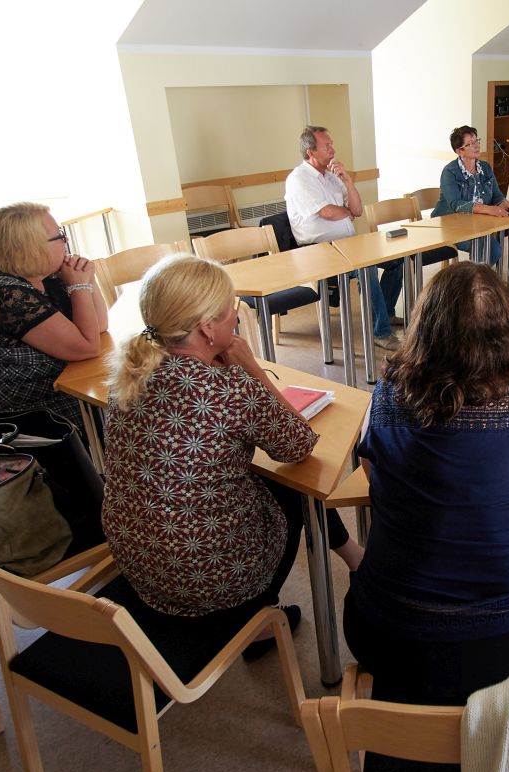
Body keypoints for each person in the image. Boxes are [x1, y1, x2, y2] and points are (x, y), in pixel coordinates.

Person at [344, 262, 509, 705]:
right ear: (506, 331)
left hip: (396, 637)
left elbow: (372, 474)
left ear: (425, 325)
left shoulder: (385, 400)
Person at [102, 255, 363, 647]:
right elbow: (300, 444)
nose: (236, 318)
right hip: (208, 581)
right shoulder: (229, 390)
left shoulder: (128, 376)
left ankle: (352, 556)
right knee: (297, 485)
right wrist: (251, 367)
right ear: (207, 328)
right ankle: (256, 621)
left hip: (139, 563)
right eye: (231, 311)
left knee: (252, 474)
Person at [0, 202, 108, 430]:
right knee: (124, 407)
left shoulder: (44, 278)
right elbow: (87, 347)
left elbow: (99, 326)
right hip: (0, 418)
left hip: (35, 392)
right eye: (59, 236)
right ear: (31, 246)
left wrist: (86, 280)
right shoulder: (5, 296)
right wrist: (79, 286)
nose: (65, 241)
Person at [284, 125, 404, 350]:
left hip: (347, 245)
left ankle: (385, 314)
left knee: (396, 259)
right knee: (365, 268)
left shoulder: (331, 176)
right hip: (317, 250)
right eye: (326, 145)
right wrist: (345, 211)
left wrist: (348, 180)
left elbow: (357, 210)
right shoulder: (298, 179)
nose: (332, 149)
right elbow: (327, 212)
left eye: (332, 144)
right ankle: (381, 332)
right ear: (310, 152)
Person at [431, 125, 509, 266]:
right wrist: (487, 209)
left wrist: (507, 205)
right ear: (460, 151)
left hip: (477, 223)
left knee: (493, 248)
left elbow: (496, 196)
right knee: (488, 248)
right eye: (471, 143)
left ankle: (476, 282)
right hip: (450, 225)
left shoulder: (485, 167)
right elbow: (456, 204)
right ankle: (472, 283)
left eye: (477, 141)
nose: (477, 145)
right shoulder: (450, 172)